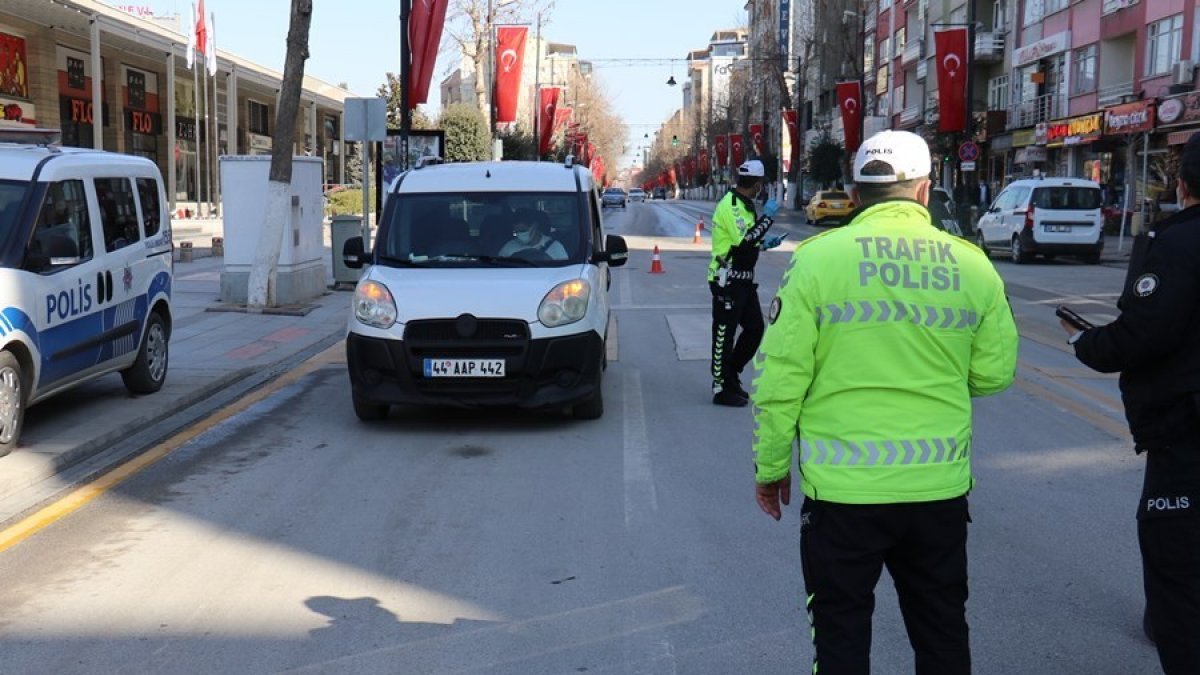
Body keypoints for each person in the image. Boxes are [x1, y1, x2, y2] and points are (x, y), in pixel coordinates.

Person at [751, 130, 1019, 674]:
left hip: (843, 497)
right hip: (937, 492)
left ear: (856, 193)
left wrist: (771, 466)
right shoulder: (971, 265)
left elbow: (781, 379)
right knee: (942, 633)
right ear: (924, 191)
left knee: (841, 635)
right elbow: (993, 375)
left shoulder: (819, 260)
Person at [1062, 134, 1200, 675]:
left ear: (1183, 186)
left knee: (1180, 576)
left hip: (1186, 439)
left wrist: (1086, 343)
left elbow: (1143, 333)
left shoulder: (1179, 243)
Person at [708, 159, 784, 406]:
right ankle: (721, 388)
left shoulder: (744, 205)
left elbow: (748, 241)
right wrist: (768, 219)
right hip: (726, 280)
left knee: (754, 329)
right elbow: (742, 242)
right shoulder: (730, 206)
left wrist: (765, 243)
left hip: (743, 281)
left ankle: (732, 375)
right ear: (758, 184)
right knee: (724, 334)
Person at [498, 208, 567, 260]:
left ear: (534, 226)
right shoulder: (509, 247)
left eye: (523, 230)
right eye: (516, 231)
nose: (520, 234)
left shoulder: (555, 247)